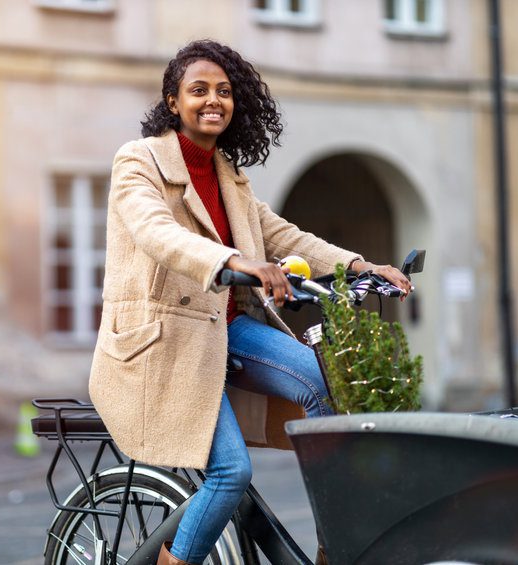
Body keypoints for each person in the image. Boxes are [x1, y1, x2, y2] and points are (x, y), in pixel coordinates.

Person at [88, 39, 411, 565]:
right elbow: (157, 233)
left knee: (323, 382)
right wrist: (238, 262)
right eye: (199, 90)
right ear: (173, 101)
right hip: (165, 344)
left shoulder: (229, 176)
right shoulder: (138, 161)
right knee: (231, 472)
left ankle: (339, 545)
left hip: (226, 327)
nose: (213, 100)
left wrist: (361, 266)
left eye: (224, 91)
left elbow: (286, 237)